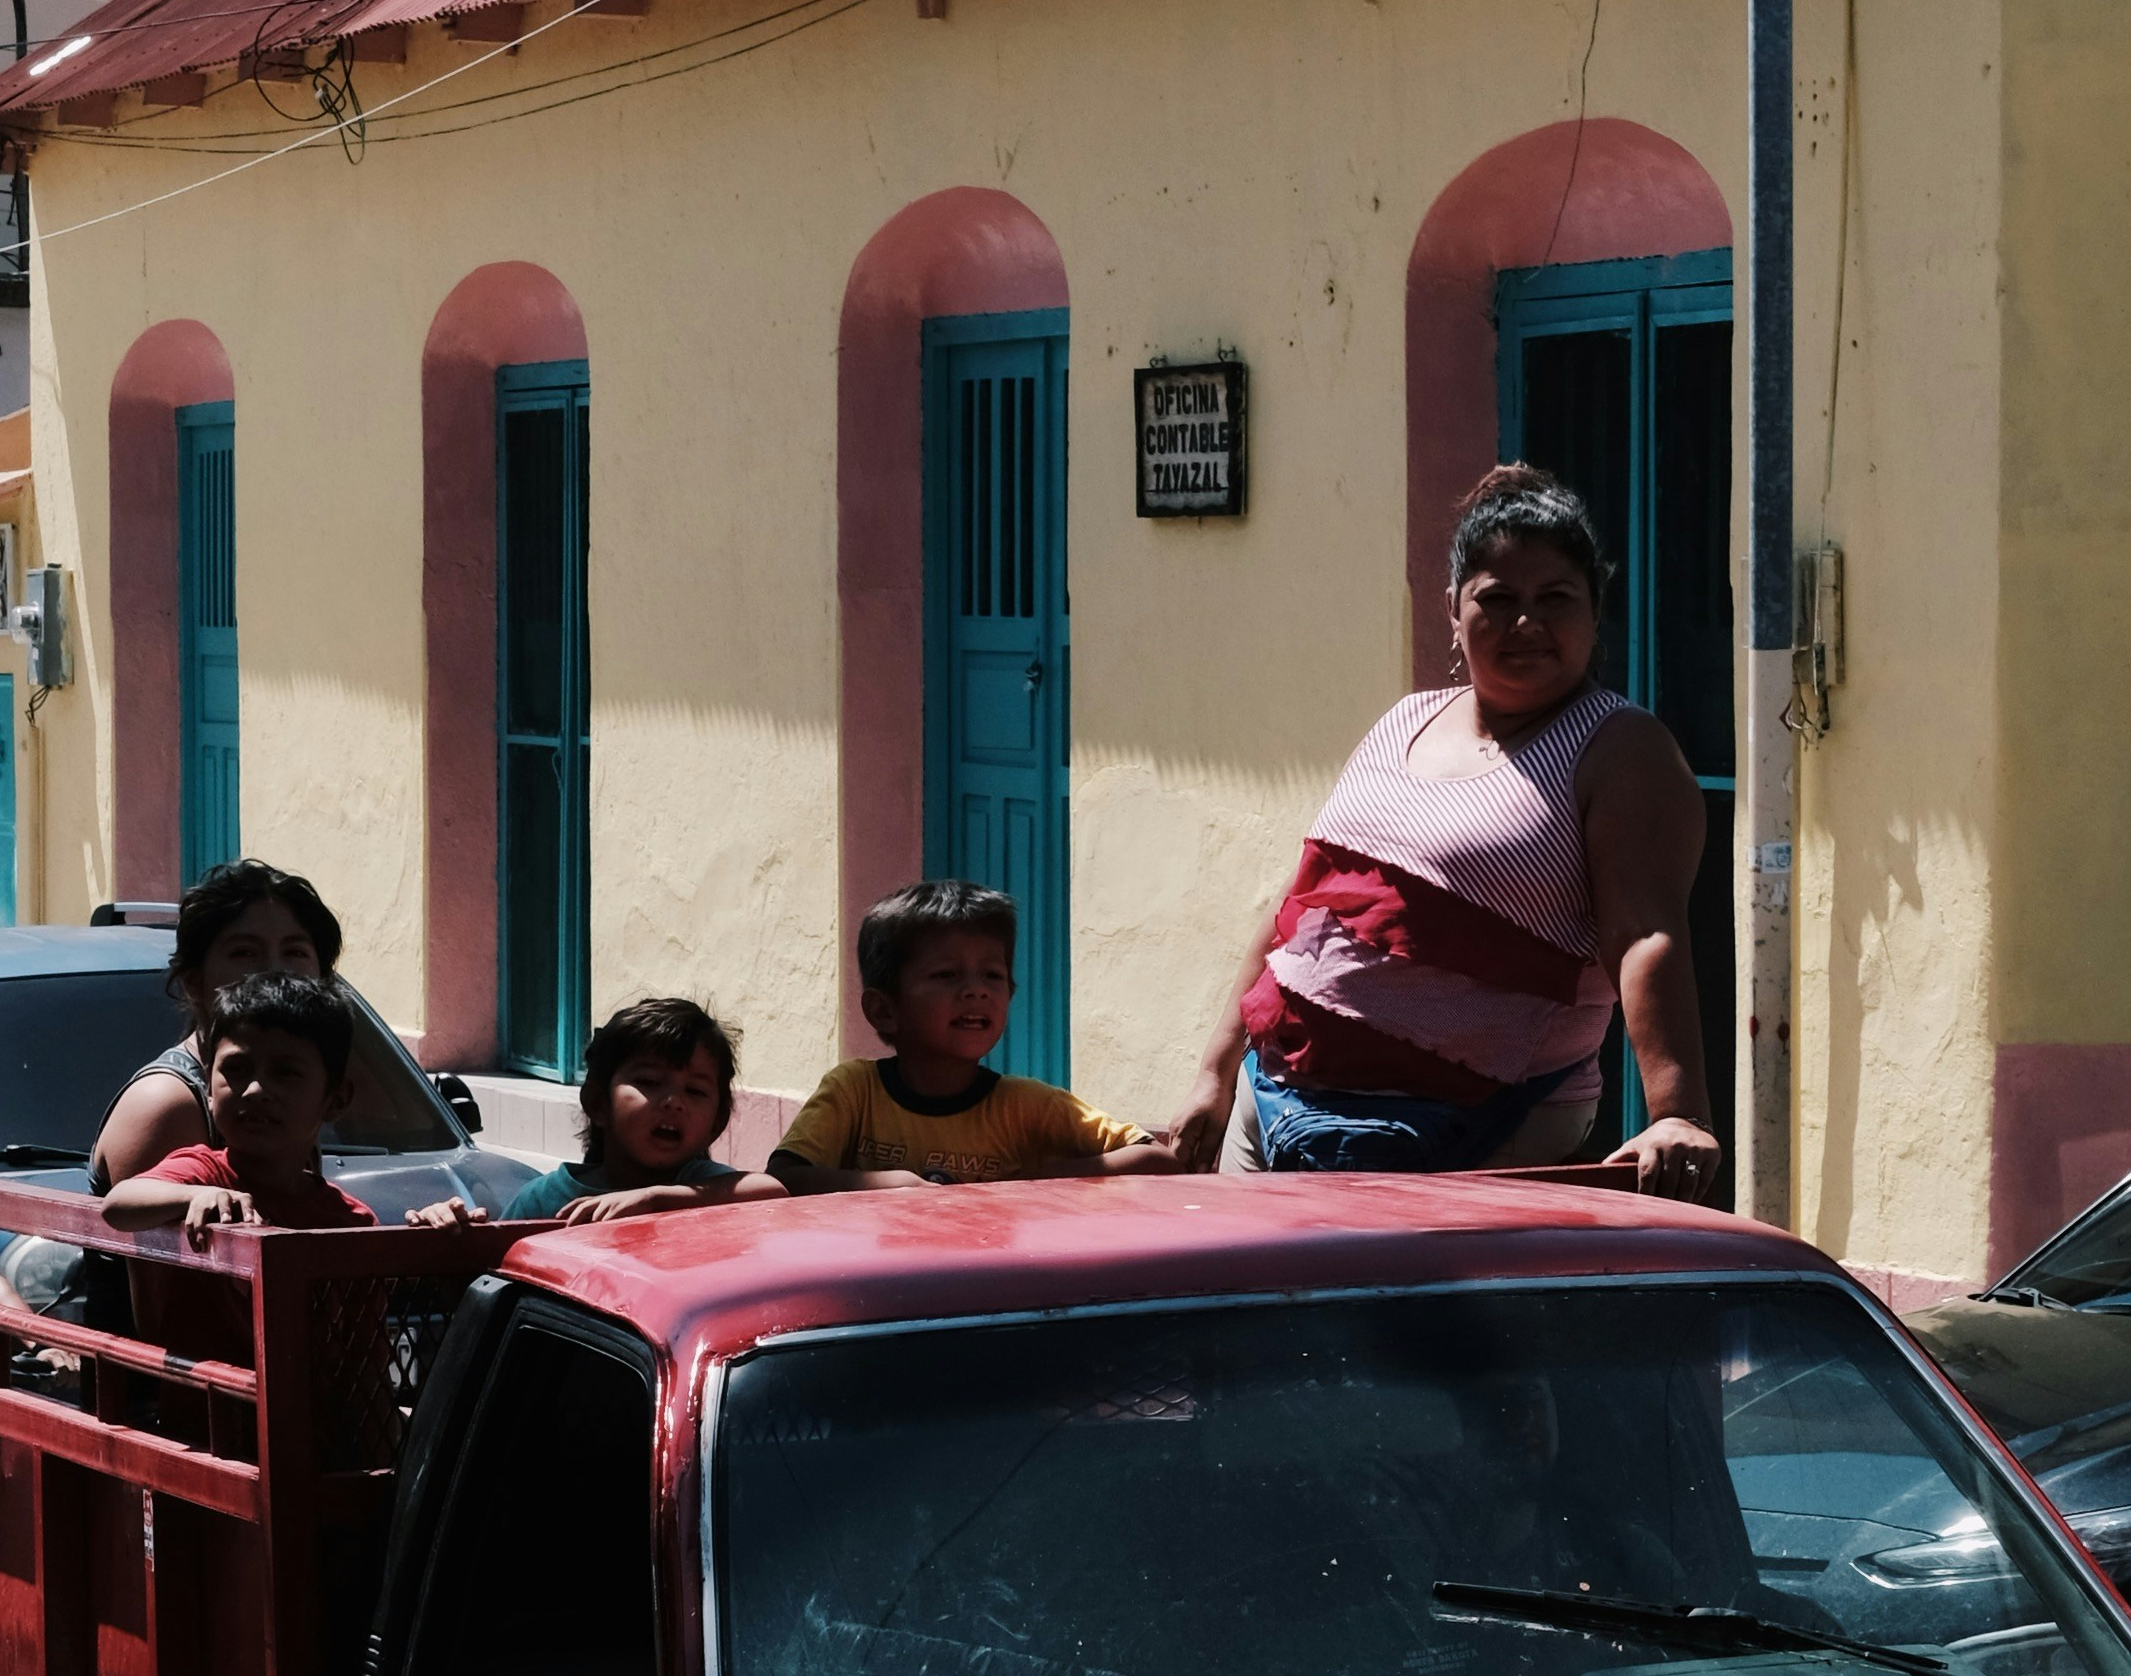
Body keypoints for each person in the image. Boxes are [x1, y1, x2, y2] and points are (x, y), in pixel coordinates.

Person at [1160, 461, 1722, 1193]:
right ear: (1453, 613)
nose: (1527, 622)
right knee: (1256, 1305)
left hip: (1470, 1129)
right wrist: (1214, 1072)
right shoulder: (1406, 719)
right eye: (1498, 598)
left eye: (1556, 598)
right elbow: (1299, 912)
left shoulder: (1619, 750)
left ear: (1594, 613)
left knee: (1384, 1308)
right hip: (1277, 1105)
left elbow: (1644, 937)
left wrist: (1677, 1111)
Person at [772, 882, 1157, 1188]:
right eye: (947, 975)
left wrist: (1028, 1184)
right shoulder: (854, 1092)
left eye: (992, 975)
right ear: (884, 1010)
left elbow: (1155, 1157)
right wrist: (883, 1185)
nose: (977, 991)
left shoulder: (1024, 1106)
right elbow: (784, 1177)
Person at [88, 860, 345, 1193]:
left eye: (294, 952)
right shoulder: (169, 1104)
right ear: (194, 981)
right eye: (244, 953)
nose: (273, 972)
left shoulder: (306, 1078)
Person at [105, 974, 379, 1247]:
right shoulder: (203, 1172)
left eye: (285, 1073)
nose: (255, 1091)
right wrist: (196, 1196)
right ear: (209, 1088)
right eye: (236, 1069)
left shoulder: (349, 1221)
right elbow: (119, 1204)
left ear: (336, 1100)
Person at [491, 995, 749, 1225]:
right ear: (598, 1102)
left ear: (717, 1123)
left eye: (695, 1090)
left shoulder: (707, 1186)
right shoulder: (544, 1200)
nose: (674, 1102)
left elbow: (773, 1190)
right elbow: (487, 1267)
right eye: (649, 1082)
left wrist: (655, 1199)